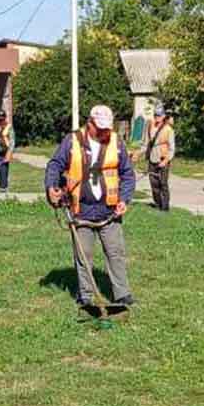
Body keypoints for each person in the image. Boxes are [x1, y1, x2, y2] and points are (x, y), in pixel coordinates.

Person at [45, 104, 137, 313]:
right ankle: (86, 296)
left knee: (115, 252)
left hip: (109, 209)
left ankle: (122, 293)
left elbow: (128, 175)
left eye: (108, 127)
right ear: (90, 124)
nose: (105, 132)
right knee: (83, 254)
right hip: (81, 208)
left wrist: (124, 198)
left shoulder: (117, 142)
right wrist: (51, 187)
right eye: (101, 128)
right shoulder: (72, 141)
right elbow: (55, 165)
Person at [145, 107, 175, 212]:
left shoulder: (168, 129)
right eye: (155, 115)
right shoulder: (150, 126)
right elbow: (146, 143)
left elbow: (172, 148)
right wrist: (138, 153)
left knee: (163, 183)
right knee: (153, 183)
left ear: (163, 116)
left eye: (158, 115)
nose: (156, 117)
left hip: (162, 158)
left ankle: (165, 207)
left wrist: (165, 161)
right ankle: (157, 204)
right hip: (152, 158)